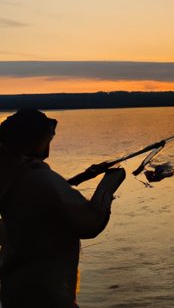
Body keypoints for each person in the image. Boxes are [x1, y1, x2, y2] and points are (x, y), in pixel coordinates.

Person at [0, 109, 125, 308]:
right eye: (48, 138)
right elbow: (91, 224)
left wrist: (78, 179)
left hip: (14, 291)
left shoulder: (10, 175)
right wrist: (109, 185)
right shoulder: (42, 179)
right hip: (48, 294)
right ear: (38, 140)